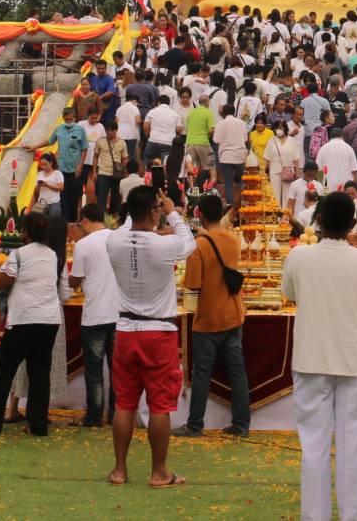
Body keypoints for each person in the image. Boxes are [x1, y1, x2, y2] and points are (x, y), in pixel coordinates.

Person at [282, 191, 357, 521]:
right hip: (355, 361)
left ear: (319, 221)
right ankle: (353, 516)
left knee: (313, 447)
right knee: (353, 448)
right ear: (354, 224)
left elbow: (289, 293)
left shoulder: (299, 257)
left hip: (313, 358)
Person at [103, 185, 195, 487]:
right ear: (154, 212)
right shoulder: (163, 245)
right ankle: (159, 472)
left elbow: (129, 227)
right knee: (160, 405)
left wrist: (153, 207)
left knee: (125, 403)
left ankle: (119, 469)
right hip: (159, 331)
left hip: (127, 329)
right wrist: (173, 212)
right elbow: (189, 243)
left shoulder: (113, 241)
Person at [0, 210, 68, 437]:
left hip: (24, 320)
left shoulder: (20, 255)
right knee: (40, 374)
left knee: (4, 371)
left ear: (25, 232)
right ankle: (37, 424)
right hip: (49, 321)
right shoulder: (52, 255)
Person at [178, 193, 251, 437]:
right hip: (233, 313)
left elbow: (192, 283)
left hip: (208, 318)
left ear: (199, 215)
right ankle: (241, 424)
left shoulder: (199, 245)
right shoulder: (232, 239)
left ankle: (195, 424)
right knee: (237, 371)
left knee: (201, 373)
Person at [68, 203, 121, 428]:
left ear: (86, 220)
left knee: (95, 370)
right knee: (118, 370)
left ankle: (94, 416)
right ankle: (117, 415)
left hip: (95, 314)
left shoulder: (83, 245)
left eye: (80, 224)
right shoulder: (118, 239)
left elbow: (75, 280)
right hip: (119, 314)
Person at [47, 108, 91, 220]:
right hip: (61, 167)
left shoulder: (80, 130)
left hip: (75, 168)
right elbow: (49, 141)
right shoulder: (59, 129)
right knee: (62, 195)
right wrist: (33, 146)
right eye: (66, 119)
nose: (69, 121)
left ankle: (72, 221)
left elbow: (84, 149)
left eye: (71, 119)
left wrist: (80, 165)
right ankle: (64, 220)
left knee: (74, 195)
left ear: (74, 118)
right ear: (63, 118)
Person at [212, 104, 250, 208]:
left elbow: (215, 140)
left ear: (223, 113)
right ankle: (244, 201)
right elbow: (246, 139)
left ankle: (230, 204)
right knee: (241, 179)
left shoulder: (220, 124)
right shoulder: (241, 123)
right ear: (234, 112)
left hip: (226, 155)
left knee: (228, 180)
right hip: (239, 155)